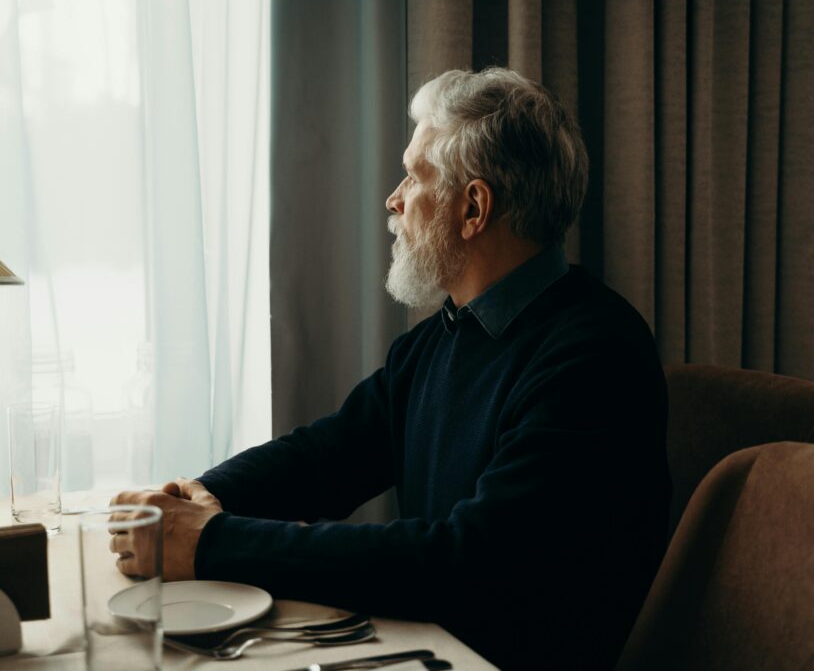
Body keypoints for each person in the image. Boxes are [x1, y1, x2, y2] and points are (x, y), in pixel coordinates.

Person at [111, 67, 669, 670]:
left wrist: (211, 543)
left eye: (414, 176)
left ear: (473, 208)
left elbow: (466, 563)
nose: (394, 198)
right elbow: (329, 454)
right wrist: (203, 496)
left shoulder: (595, 359)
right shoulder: (445, 335)